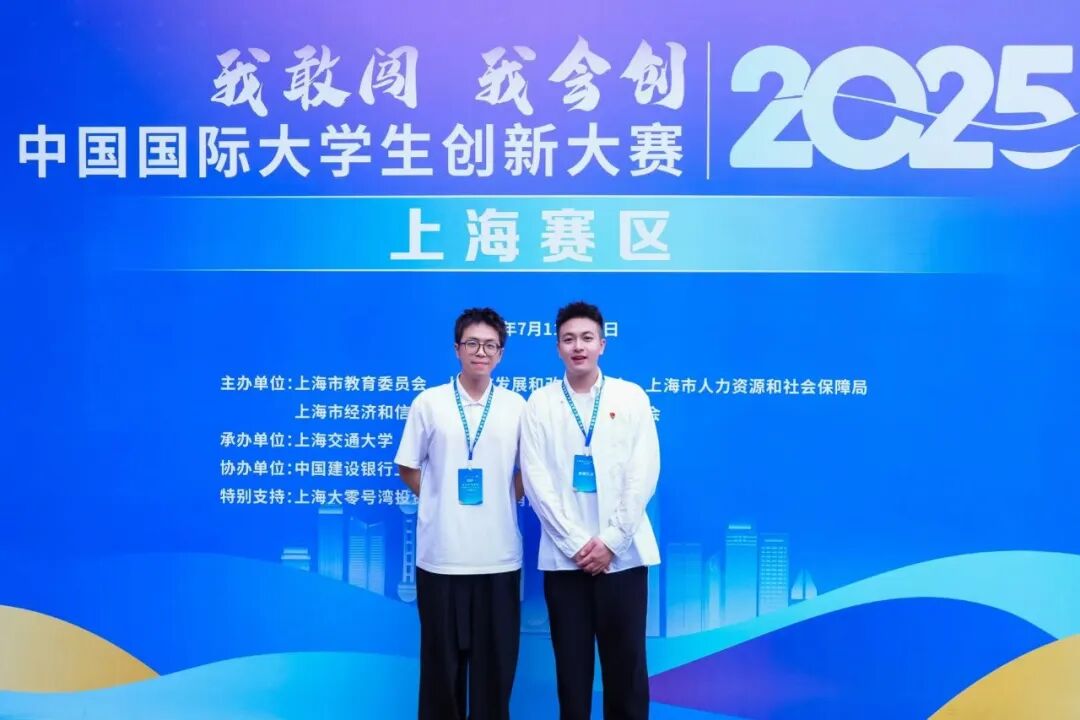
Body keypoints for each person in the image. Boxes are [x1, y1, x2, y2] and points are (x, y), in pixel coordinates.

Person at [521, 300, 660, 720]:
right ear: (557, 347)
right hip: (566, 564)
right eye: (568, 339)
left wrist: (612, 541)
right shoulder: (540, 404)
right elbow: (536, 481)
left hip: (624, 559)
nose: (578, 346)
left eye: (586, 338)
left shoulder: (630, 397)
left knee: (627, 673)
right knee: (572, 676)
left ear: (602, 343)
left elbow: (644, 471)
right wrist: (578, 544)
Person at [395, 307, 526, 720]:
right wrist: (440, 499)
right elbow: (408, 467)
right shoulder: (429, 403)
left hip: (498, 558)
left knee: (494, 677)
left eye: (490, 345)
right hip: (441, 559)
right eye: (472, 343)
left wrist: (501, 499)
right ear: (457, 349)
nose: (480, 352)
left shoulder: (516, 406)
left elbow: (528, 472)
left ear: (501, 353)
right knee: (441, 676)